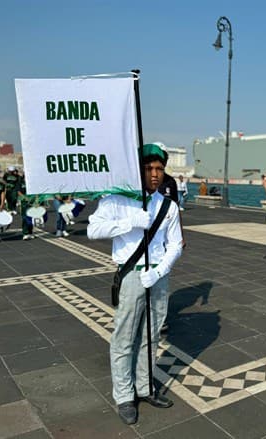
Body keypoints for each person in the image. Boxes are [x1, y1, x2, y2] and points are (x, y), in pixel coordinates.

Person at [87, 144, 183, 425]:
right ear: (137, 169)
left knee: (152, 335)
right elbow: (94, 229)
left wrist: (161, 269)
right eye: (149, 168)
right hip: (131, 275)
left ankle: (145, 387)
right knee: (125, 337)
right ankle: (124, 395)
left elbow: (176, 243)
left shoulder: (168, 204)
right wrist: (130, 222)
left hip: (158, 276)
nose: (155, 174)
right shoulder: (116, 200)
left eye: (159, 169)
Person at [17, 175, 36, 240]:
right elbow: (19, 192)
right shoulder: (20, 182)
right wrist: (25, 197)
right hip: (24, 202)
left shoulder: (33, 182)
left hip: (32, 201)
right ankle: (25, 233)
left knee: (31, 217)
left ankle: (30, 232)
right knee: (25, 217)